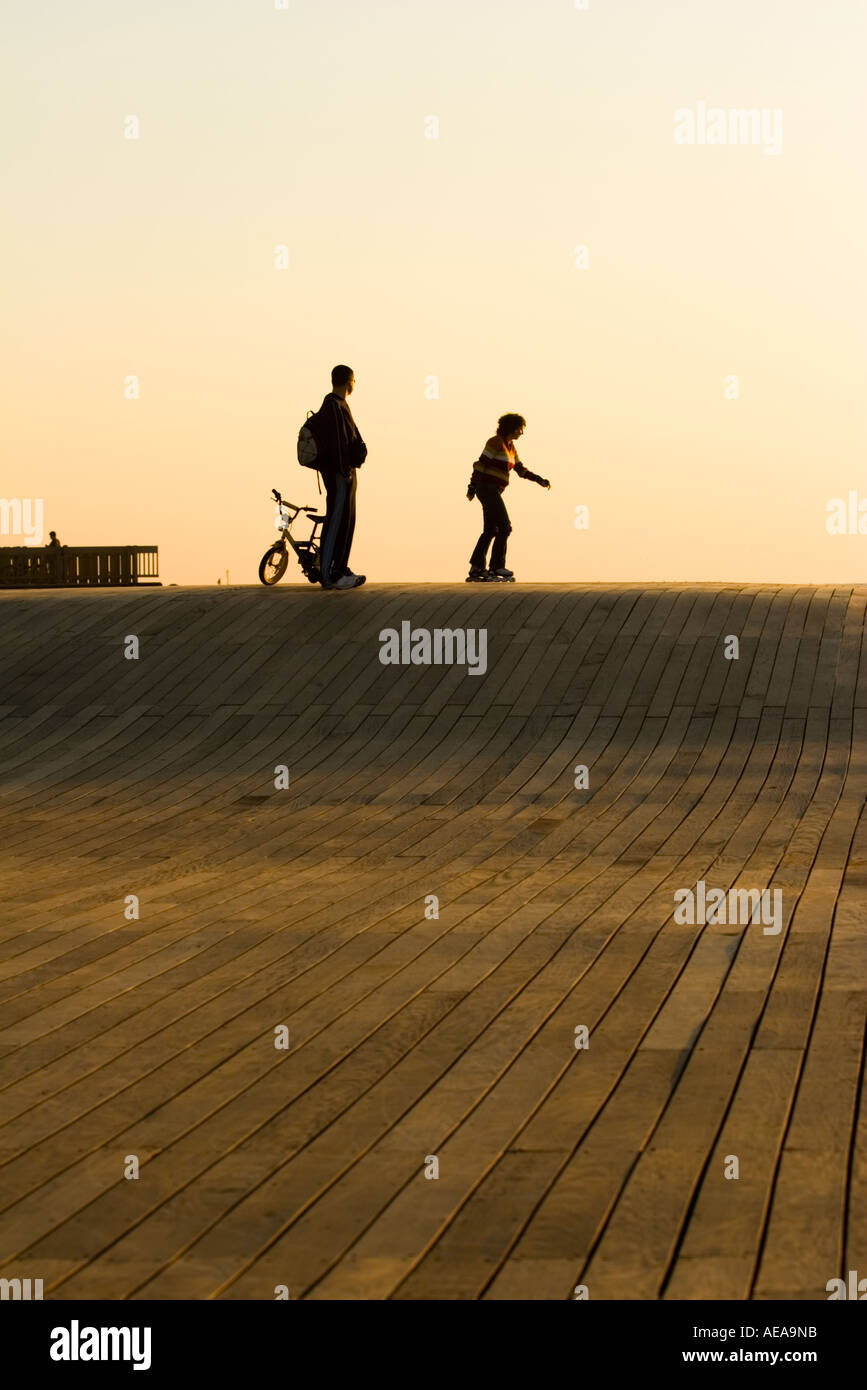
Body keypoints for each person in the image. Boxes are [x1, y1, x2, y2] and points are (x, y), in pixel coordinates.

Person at [466, 414, 550, 580]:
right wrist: (472, 486)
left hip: (495, 490)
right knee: (505, 526)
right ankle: (496, 567)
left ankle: (477, 568)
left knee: (490, 530)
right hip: (487, 488)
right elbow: (481, 464)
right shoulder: (495, 442)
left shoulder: (510, 447)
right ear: (511, 427)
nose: (522, 433)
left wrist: (538, 479)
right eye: (520, 429)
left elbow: (520, 470)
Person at [315, 365, 367, 590]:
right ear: (349, 381)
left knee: (347, 520)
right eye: (354, 380)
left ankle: (341, 568)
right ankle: (330, 574)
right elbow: (338, 442)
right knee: (337, 519)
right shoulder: (333, 406)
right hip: (340, 474)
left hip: (346, 473)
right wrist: (343, 469)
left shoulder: (341, 405)